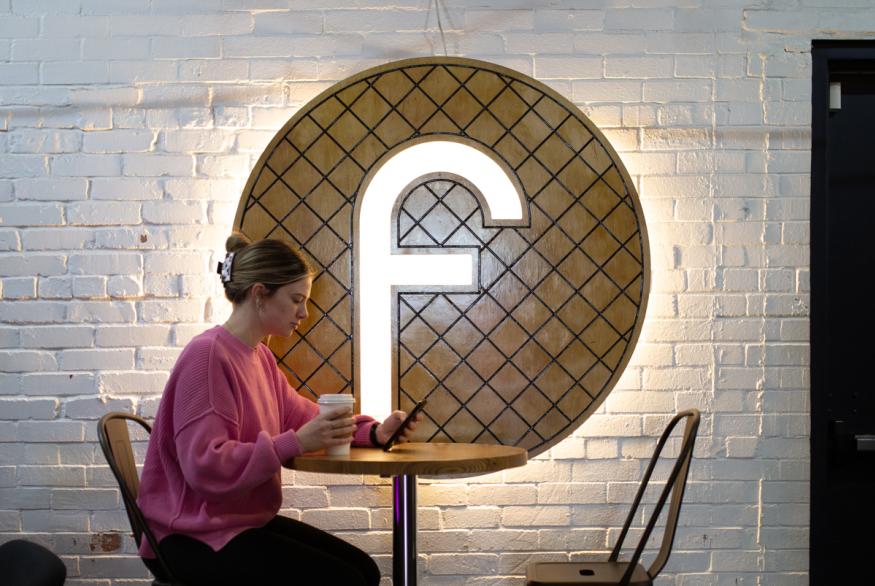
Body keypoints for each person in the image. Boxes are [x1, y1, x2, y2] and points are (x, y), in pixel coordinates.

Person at [137, 233, 419, 586]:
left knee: (365, 571)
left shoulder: (259, 357)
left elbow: (301, 416)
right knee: (347, 579)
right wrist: (293, 443)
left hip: (234, 523)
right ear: (259, 295)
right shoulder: (207, 356)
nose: (304, 312)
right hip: (190, 537)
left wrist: (373, 433)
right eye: (296, 299)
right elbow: (205, 466)